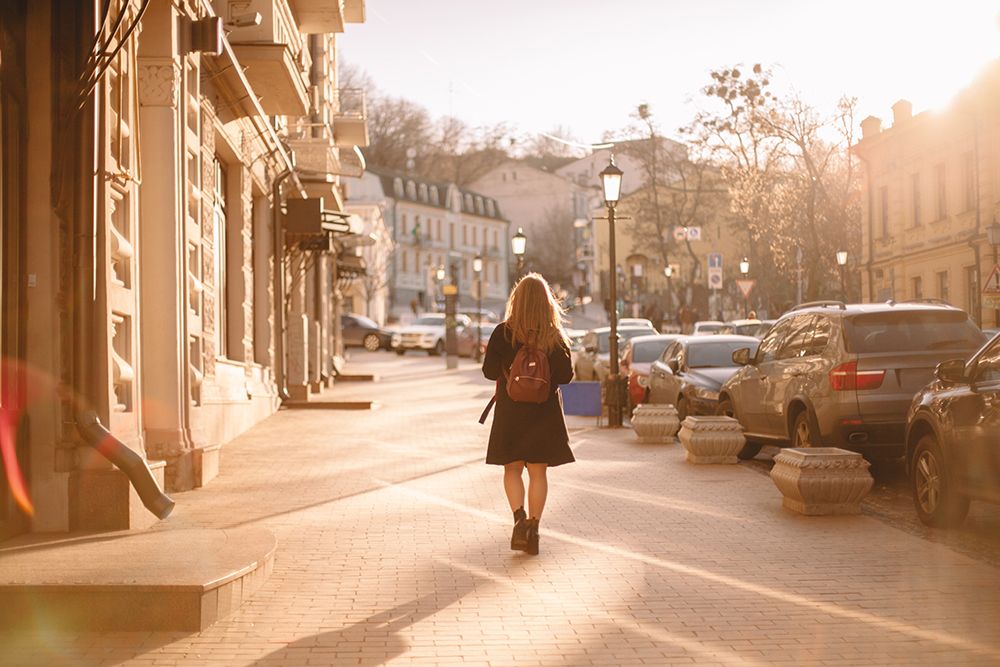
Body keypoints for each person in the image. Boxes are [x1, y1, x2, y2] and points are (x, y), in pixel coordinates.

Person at [482, 273, 574, 555]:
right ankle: (533, 528)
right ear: (547, 303)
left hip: (510, 411)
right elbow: (566, 376)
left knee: (512, 469)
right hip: (543, 413)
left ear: (516, 300)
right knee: (537, 472)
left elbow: (489, 372)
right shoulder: (554, 336)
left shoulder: (503, 332)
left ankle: (519, 519)